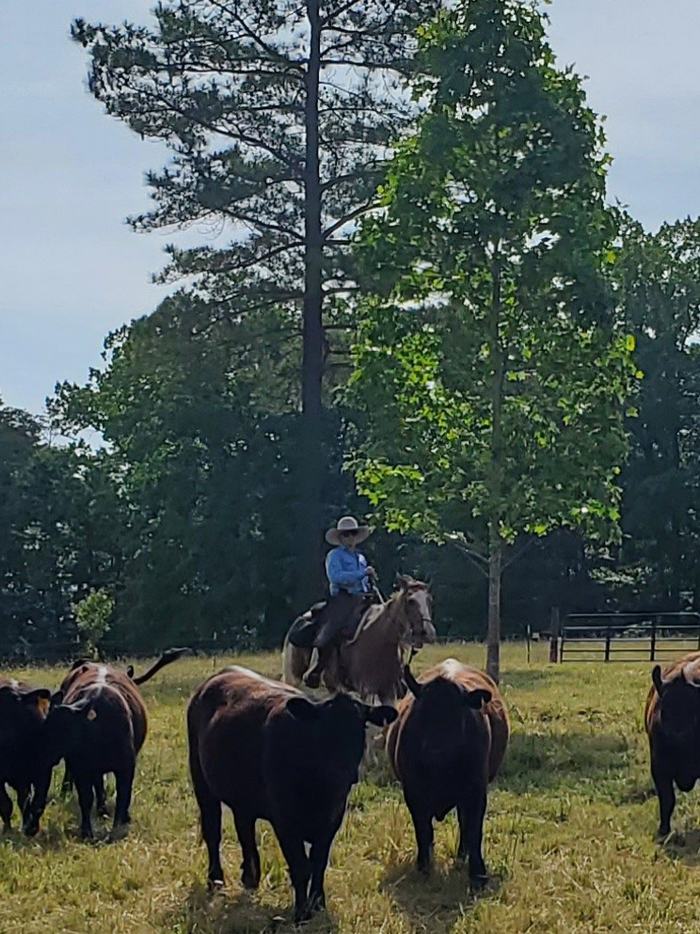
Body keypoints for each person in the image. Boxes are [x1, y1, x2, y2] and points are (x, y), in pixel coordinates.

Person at [302, 516, 377, 688]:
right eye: (346, 535)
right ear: (340, 538)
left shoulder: (360, 557)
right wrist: (362, 574)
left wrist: (368, 580)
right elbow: (336, 577)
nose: (350, 538)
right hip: (342, 598)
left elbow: (363, 579)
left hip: (364, 598)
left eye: (353, 534)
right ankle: (318, 668)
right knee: (333, 629)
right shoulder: (334, 556)